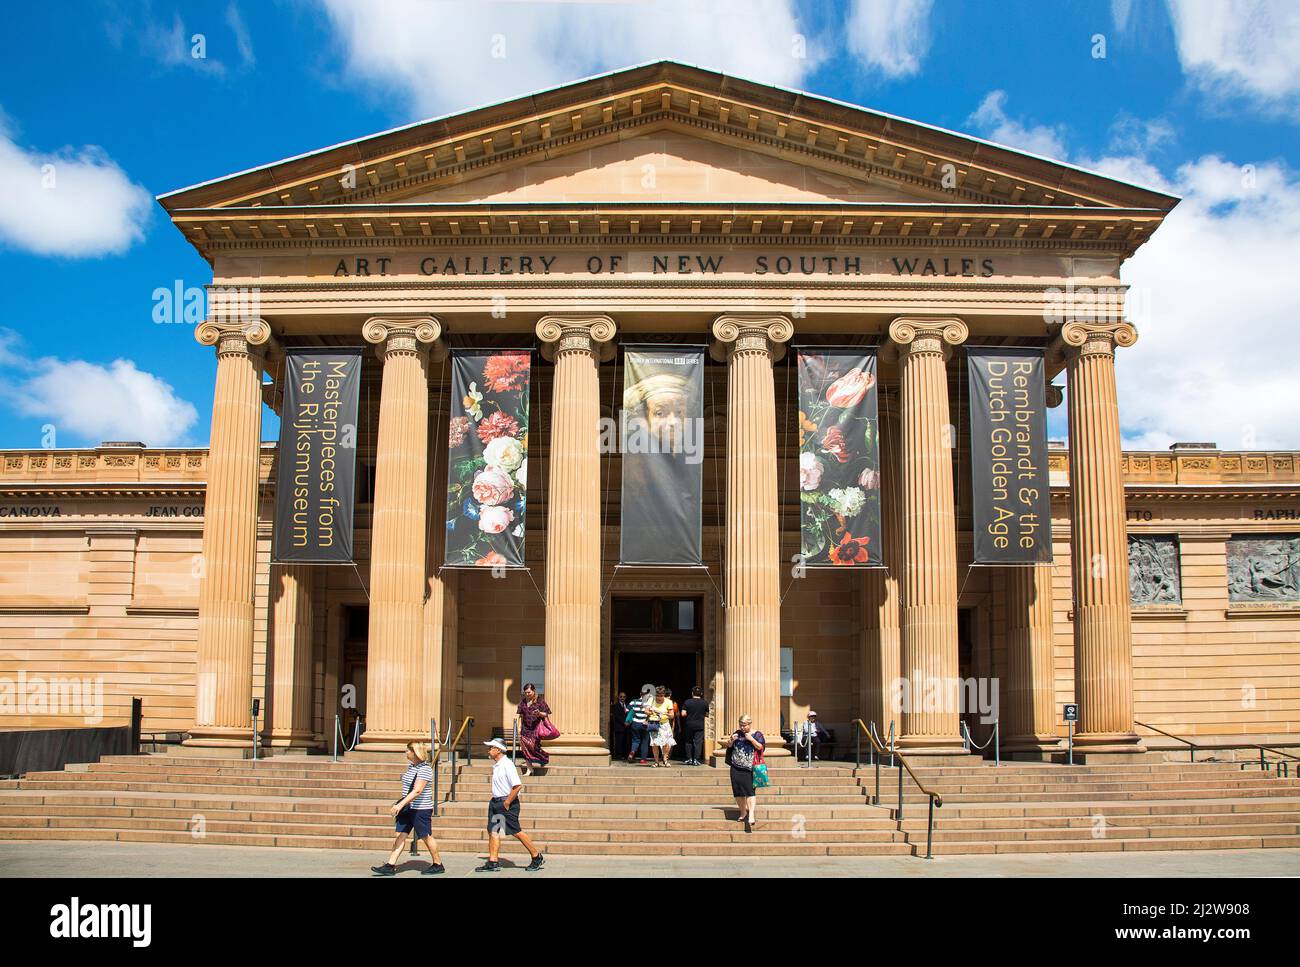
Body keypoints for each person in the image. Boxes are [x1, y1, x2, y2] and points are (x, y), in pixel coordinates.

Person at [371, 742, 444, 876]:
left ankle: (438, 863)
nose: (406, 753)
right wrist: (403, 805)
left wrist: (399, 805)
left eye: (408, 750)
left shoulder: (425, 769)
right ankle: (390, 865)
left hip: (420, 809)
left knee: (425, 836)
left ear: (415, 752)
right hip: (407, 807)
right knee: (400, 834)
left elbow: (417, 791)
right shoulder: (411, 767)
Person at [477, 738, 544, 873]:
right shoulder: (497, 765)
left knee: (515, 831)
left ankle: (536, 856)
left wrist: (507, 802)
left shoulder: (507, 765)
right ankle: (493, 861)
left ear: (498, 750)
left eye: (491, 748)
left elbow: (517, 785)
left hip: (507, 803)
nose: (488, 750)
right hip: (495, 802)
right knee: (493, 831)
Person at [721, 714, 765, 831]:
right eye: (741, 725)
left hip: (750, 768)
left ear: (749, 724)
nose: (742, 728)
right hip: (736, 767)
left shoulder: (757, 734)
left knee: (750, 791)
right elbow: (729, 745)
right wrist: (731, 740)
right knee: (738, 792)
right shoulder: (737, 733)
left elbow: (760, 747)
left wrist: (751, 739)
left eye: (744, 725)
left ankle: (751, 814)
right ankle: (743, 812)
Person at [516, 682, 551, 776]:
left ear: (533, 691)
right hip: (525, 728)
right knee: (525, 749)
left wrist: (539, 713)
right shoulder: (523, 702)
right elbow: (521, 715)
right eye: (526, 692)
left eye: (529, 692)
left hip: (536, 729)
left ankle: (544, 758)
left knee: (534, 747)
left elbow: (546, 713)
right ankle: (529, 769)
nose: (527, 694)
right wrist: (519, 727)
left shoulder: (540, 701)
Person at [648, 685, 676, 767]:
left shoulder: (668, 701)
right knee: (655, 743)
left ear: (664, 694)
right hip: (654, 723)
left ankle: (665, 759)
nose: (660, 697)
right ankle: (656, 761)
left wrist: (664, 713)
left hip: (664, 724)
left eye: (661, 695)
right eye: (658, 695)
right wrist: (652, 711)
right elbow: (646, 711)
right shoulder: (651, 700)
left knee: (666, 743)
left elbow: (672, 715)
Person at [682, 686, 709, 765]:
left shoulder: (687, 702)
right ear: (701, 694)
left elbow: (683, 713)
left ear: (692, 693)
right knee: (698, 742)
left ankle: (689, 758)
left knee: (688, 742)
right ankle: (696, 759)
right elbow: (707, 715)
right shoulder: (705, 703)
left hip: (689, 724)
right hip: (700, 725)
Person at [627, 683, 653, 764]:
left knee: (635, 740)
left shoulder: (633, 702)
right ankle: (643, 759)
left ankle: (632, 752)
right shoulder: (649, 704)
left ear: (640, 694)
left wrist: (634, 712)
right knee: (645, 741)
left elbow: (627, 711)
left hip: (635, 723)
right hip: (645, 724)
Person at [610, 691, 630, 761]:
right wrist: (624, 722)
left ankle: (625, 755)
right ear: (618, 697)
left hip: (626, 727)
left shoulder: (627, 705)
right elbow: (617, 716)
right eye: (621, 696)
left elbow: (629, 715)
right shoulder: (616, 705)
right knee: (619, 742)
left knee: (625, 742)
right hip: (619, 727)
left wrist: (628, 722)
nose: (622, 698)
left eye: (624, 697)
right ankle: (618, 756)